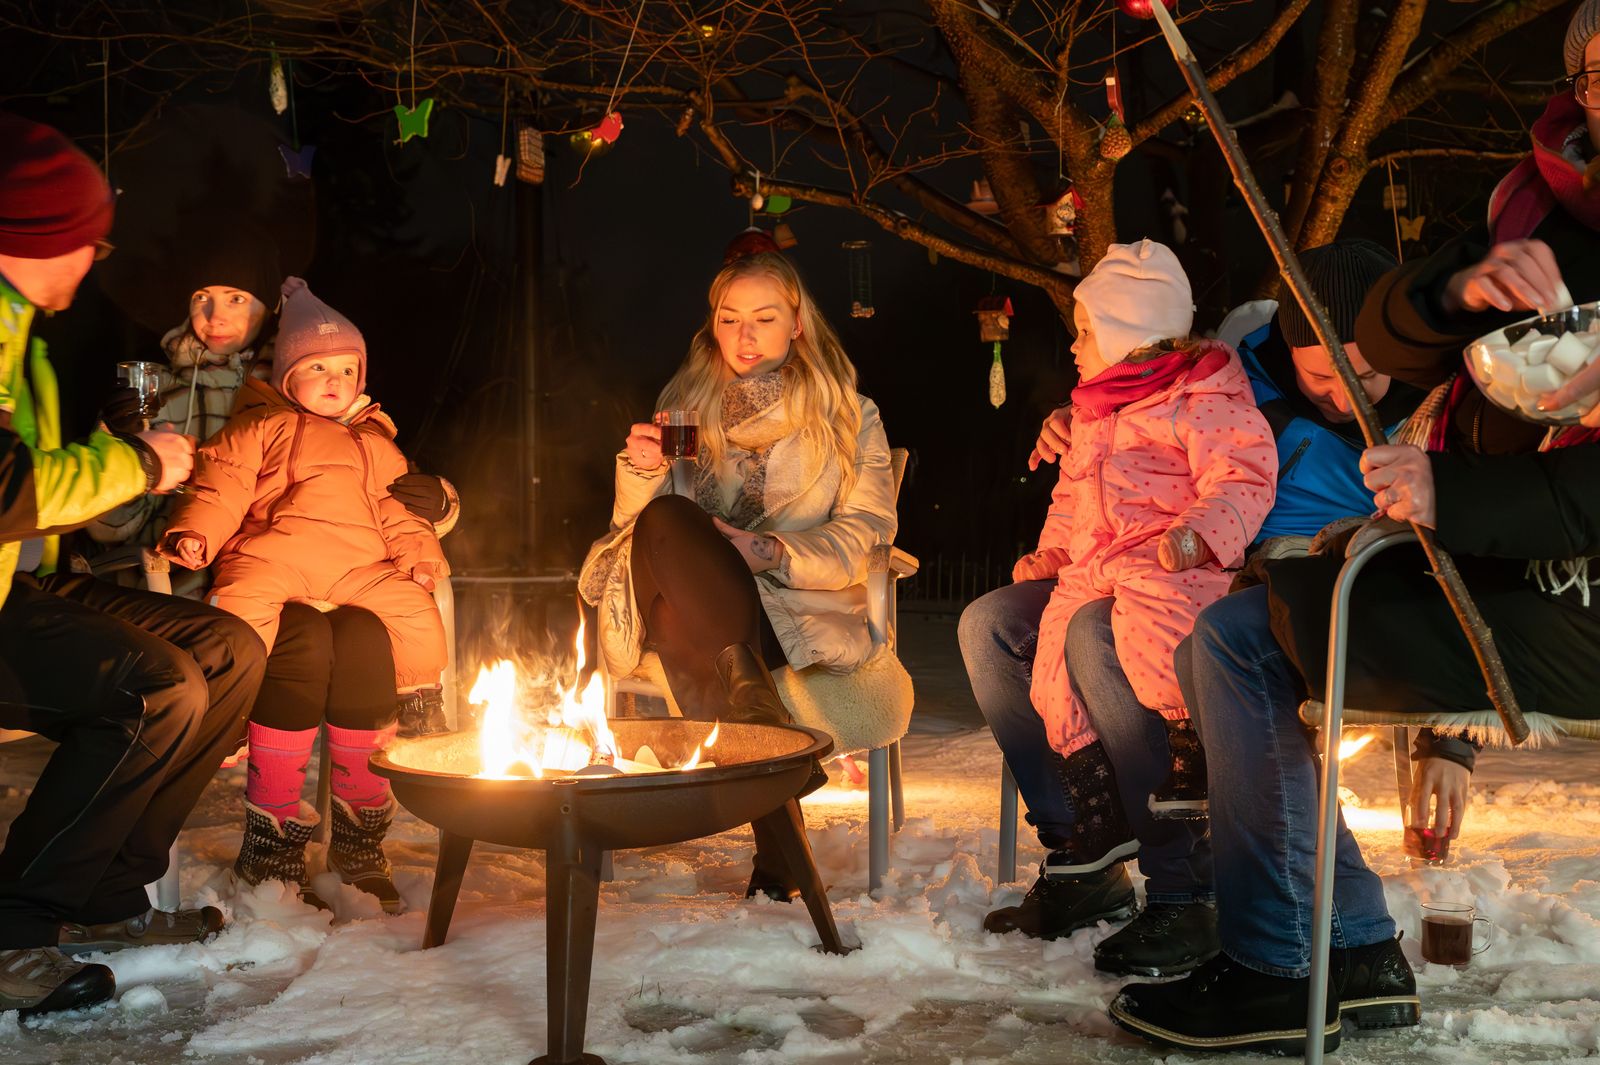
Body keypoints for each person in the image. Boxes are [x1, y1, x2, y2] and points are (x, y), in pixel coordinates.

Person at [1107, 10, 1600, 1053]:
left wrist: (1451, 495)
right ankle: (1351, 950)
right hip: (1497, 564)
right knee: (1233, 636)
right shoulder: (1543, 207)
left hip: (1573, 592)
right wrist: (1458, 291)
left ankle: (1283, 960)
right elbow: (1386, 328)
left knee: (1244, 644)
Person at [0, 113, 267, 1015]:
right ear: (40, 236)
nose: (93, 259)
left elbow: (33, 490)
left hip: (16, 581)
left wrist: (115, 457)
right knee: (155, 686)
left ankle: (108, 890)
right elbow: (5, 488)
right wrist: (139, 464)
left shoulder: (21, 332)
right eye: (88, 240)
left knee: (227, 652)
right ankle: (14, 922)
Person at [975, 240, 1276, 961]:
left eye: (1085, 331)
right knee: (1003, 631)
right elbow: (1073, 497)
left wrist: (1201, 536)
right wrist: (1052, 553)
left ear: (1128, 337)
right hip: (1098, 566)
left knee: (1102, 634)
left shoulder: (1202, 398)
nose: (1074, 346)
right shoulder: (1096, 410)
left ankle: (1186, 879)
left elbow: (1240, 477)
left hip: (1169, 569)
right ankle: (1090, 838)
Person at [578, 250, 898, 898]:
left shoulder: (848, 415)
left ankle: (769, 775)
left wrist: (772, 551)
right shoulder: (683, 408)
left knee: (674, 619)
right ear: (713, 324)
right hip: (690, 589)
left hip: (781, 601)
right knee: (666, 517)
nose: (744, 336)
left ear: (797, 323)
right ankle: (772, 749)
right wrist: (641, 472)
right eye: (729, 319)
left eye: (764, 318)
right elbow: (640, 535)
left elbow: (870, 528)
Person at [159, 277, 449, 907]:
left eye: (346, 370)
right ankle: (267, 828)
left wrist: (425, 554)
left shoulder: (375, 441)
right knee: (258, 614)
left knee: (395, 619)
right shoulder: (260, 424)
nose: (334, 381)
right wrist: (193, 533)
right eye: (317, 368)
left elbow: (402, 513)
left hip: (356, 572)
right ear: (287, 374)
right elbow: (221, 486)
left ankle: (372, 808)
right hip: (276, 558)